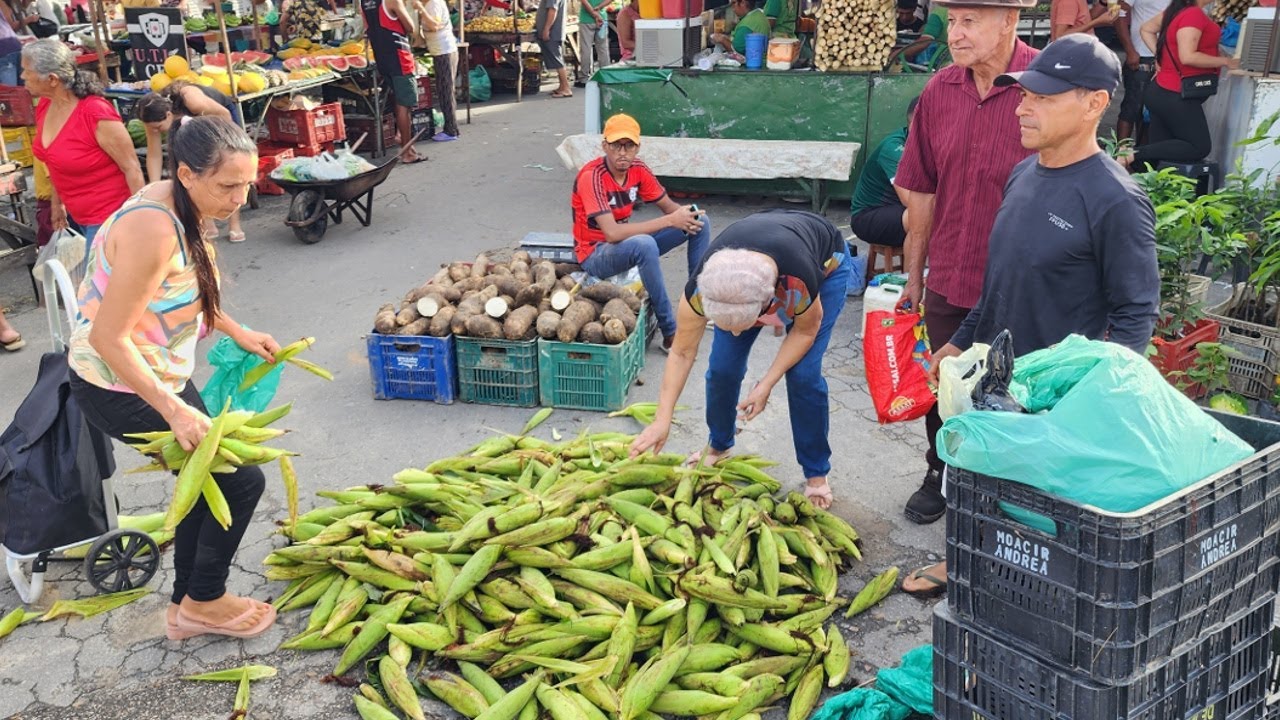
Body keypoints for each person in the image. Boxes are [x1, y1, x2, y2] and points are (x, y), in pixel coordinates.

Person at [902, 34, 1159, 597]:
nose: (1023, 106)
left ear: (1094, 103)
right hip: (996, 374)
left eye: (1043, 97)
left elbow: (1136, 312)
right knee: (977, 480)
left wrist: (1097, 399)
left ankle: (1031, 590)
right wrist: (961, 340)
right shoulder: (1023, 175)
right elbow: (1001, 281)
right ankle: (963, 565)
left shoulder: (1115, 199)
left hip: (1052, 392)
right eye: (1024, 95)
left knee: (1042, 514)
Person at [67, 116, 278, 640]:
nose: (240, 199)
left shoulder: (177, 198)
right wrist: (172, 407)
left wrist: (236, 329)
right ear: (186, 173)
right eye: (228, 186)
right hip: (119, 383)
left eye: (247, 184)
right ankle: (204, 599)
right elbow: (108, 338)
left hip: (158, 372)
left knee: (203, 481)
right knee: (240, 480)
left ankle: (188, 604)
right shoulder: (152, 228)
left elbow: (181, 289)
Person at [892, 0, 1037, 526]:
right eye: (952, 21)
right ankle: (940, 471)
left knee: (1015, 386)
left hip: (1019, 282)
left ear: (1010, 22)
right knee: (944, 385)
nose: (955, 33)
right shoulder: (939, 90)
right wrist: (914, 274)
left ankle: (1012, 489)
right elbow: (922, 195)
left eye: (970, 20)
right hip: (952, 269)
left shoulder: (1040, 87)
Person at [630, 210, 853, 510]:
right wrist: (662, 419)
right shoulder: (701, 290)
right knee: (722, 367)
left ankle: (816, 472)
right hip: (748, 277)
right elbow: (682, 352)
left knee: (803, 376)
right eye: (724, 325)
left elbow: (803, 333)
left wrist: (766, 383)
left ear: (770, 303)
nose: (735, 331)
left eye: (742, 324)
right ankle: (719, 444)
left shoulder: (799, 283)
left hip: (824, 265)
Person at [571, 114, 711, 351]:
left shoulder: (638, 169)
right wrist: (670, 220)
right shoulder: (592, 177)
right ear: (604, 145)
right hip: (595, 254)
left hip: (626, 246)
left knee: (700, 221)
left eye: (629, 145)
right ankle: (670, 332)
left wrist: (685, 216)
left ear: (638, 147)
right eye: (616, 145)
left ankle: (697, 304)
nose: (622, 152)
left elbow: (670, 208)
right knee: (644, 244)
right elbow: (612, 234)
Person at [26, 39, 143, 254]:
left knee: (101, 284)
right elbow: (54, 160)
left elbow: (132, 168)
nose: (22, 76)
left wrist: (140, 220)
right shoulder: (45, 105)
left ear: (52, 79)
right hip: (78, 214)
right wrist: (56, 203)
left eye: (27, 70)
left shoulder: (95, 113)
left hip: (110, 215)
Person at [1125, 0, 1236, 169]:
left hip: (1164, 90)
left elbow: (1146, 29)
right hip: (1176, 93)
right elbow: (1188, 56)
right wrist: (1226, 61)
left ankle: (1143, 177)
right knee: (1199, 146)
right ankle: (1132, 154)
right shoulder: (1193, 14)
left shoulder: (1178, 10)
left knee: (1160, 158)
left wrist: (1161, 57)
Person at [137, 82, 247, 243]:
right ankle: (207, 221)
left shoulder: (193, 102)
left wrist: (222, 147)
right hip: (189, 127)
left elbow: (224, 116)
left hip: (220, 118)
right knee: (193, 172)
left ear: (168, 115)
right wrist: (153, 187)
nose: (156, 131)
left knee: (227, 171)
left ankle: (235, 224)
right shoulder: (152, 118)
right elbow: (154, 155)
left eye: (158, 127)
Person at [850, 96, 918, 250]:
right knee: (920, 216)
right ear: (914, 123)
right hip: (869, 216)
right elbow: (910, 200)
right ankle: (911, 274)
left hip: (897, 210)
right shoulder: (894, 148)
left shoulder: (936, 144)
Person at [361, 0, 424, 163]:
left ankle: (402, 139)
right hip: (399, 57)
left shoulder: (364, 3)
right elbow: (411, 28)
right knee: (405, 103)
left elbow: (367, 30)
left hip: (382, 58)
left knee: (398, 99)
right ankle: (406, 152)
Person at [1114, 0, 1169, 142]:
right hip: (1142, 57)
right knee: (1132, 109)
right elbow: (1118, 15)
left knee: (1151, 113)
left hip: (1166, 58)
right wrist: (1130, 50)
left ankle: (1140, 158)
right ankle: (1120, 156)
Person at [415, 0, 459, 141]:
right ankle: (450, 128)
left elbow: (435, 25)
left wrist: (421, 9)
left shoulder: (433, 3)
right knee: (443, 89)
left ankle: (451, 131)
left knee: (446, 90)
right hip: (439, 50)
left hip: (444, 51)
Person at [537, 0, 572, 98]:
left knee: (557, 59)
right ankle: (562, 86)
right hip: (554, 31)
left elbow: (552, 10)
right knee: (556, 58)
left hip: (553, 32)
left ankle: (566, 88)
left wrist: (546, 29)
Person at [578, 0, 611, 85]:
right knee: (603, 49)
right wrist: (599, 7)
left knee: (586, 49)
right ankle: (606, 75)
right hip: (602, 18)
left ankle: (584, 78)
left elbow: (584, 1)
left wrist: (593, 14)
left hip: (586, 19)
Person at [1050, 0, 1117, 39]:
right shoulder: (1069, 1)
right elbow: (1060, 36)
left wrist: (1103, 3)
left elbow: (1084, 19)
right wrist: (1098, 21)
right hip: (1073, 55)